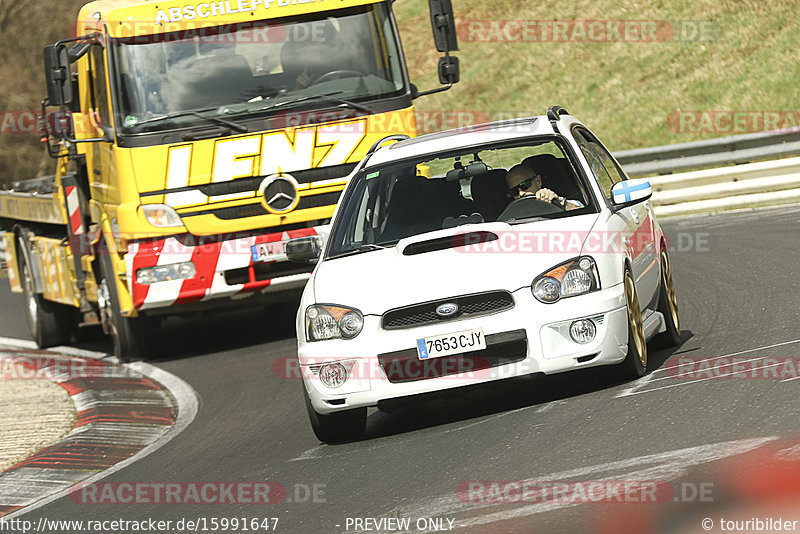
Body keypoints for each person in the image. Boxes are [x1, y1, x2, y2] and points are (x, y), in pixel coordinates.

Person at [505, 162, 583, 210]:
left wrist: (559, 202)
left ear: (538, 181)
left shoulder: (565, 203)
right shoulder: (510, 217)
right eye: (514, 191)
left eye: (524, 185)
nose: (521, 193)